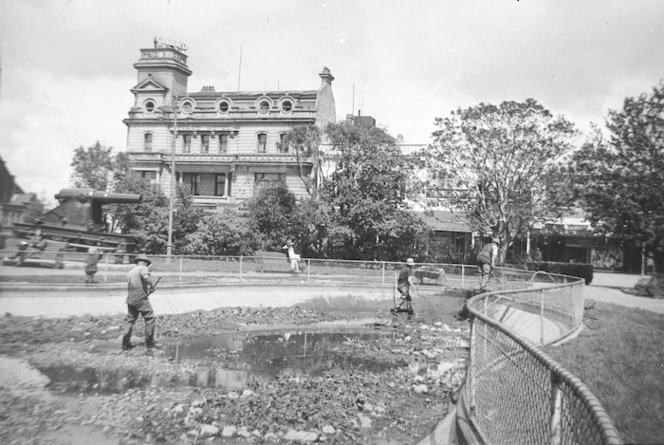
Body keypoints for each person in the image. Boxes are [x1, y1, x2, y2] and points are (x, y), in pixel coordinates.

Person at [122, 254, 158, 351]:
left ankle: (125, 343)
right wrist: (152, 286)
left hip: (130, 298)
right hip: (141, 298)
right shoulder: (143, 268)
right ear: (144, 262)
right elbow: (146, 278)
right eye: (147, 263)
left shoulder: (131, 271)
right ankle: (149, 343)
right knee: (150, 318)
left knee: (130, 320)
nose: (147, 265)